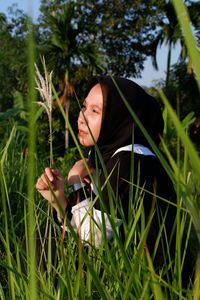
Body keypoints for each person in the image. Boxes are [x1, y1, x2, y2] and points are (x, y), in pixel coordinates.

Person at [36, 76, 192, 283]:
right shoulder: (106, 157)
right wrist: (57, 198)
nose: (82, 117)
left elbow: (92, 238)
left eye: (96, 111)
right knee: (46, 233)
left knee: (46, 242)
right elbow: (89, 225)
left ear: (119, 118)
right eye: (84, 106)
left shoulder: (132, 161)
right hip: (130, 263)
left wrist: (75, 181)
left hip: (155, 280)